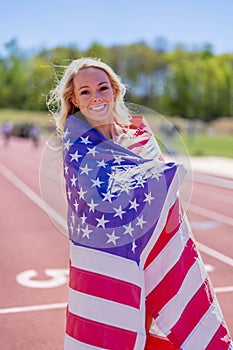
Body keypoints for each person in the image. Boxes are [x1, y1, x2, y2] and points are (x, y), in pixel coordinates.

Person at [47, 57, 232, 350]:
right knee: (120, 325)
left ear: (115, 91)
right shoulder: (77, 145)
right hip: (111, 251)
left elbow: (161, 194)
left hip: (152, 244)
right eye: (85, 91)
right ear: (74, 100)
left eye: (102, 87)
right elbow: (97, 198)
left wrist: (159, 183)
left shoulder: (139, 137)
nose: (96, 96)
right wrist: (161, 177)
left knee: (149, 318)